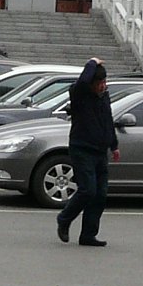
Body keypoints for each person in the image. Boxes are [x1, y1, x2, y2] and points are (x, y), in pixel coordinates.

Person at [56, 58, 118, 248]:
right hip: (82, 149)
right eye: (99, 83)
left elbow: (107, 120)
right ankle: (64, 219)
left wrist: (114, 145)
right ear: (91, 83)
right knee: (88, 190)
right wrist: (92, 63)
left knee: (100, 195)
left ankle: (88, 235)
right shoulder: (80, 94)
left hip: (100, 151)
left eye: (104, 82)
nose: (102, 86)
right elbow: (83, 81)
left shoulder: (104, 97)